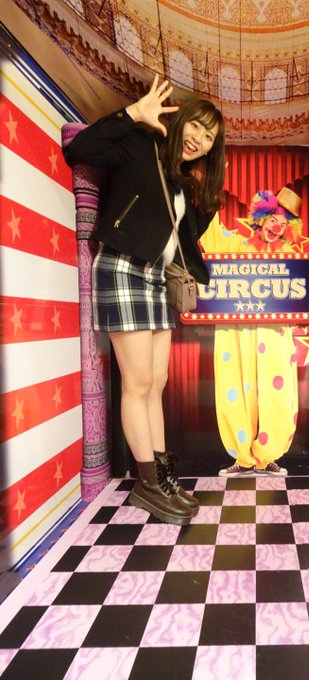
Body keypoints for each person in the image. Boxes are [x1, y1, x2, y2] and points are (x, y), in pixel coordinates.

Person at [64, 75, 226, 523]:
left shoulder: (181, 182)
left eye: (209, 137)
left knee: (157, 382)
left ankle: (163, 477)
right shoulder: (141, 145)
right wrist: (133, 114)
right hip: (122, 268)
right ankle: (148, 485)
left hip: (156, 279)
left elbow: (186, 238)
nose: (199, 139)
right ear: (179, 120)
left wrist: (207, 192)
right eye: (196, 126)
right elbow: (80, 150)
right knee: (137, 384)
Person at [200, 188, 309, 477]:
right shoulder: (236, 245)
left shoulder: (289, 255)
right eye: (274, 220)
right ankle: (243, 458)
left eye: (284, 225)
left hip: (274, 336)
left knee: (276, 395)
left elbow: (305, 293)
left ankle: (268, 456)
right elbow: (210, 233)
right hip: (237, 336)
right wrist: (207, 189)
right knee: (236, 388)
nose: (277, 228)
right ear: (261, 219)